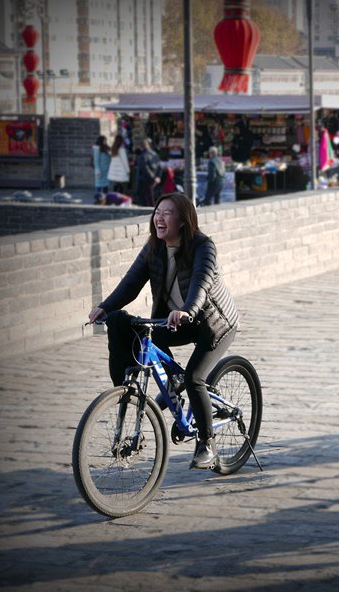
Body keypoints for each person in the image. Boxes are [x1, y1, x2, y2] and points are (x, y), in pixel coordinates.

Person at [88, 192, 239, 470]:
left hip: (213, 324)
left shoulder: (203, 247)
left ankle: (207, 444)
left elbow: (200, 285)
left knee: (194, 379)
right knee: (142, 334)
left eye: (167, 213)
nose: (159, 217)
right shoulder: (153, 248)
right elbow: (130, 283)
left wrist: (187, 310)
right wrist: (105, 307)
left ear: (182, 221)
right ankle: (172, 381)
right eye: (157, 212)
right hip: (172, 320)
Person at [135, 138, 161, 207]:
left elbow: (145, 169)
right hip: (154, 178)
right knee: (150, 197)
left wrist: (153, 177)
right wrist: (158, 177)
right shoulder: (155, 154)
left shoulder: (142, 156)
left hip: (145, 179)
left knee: (147, 198)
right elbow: (159, 166)